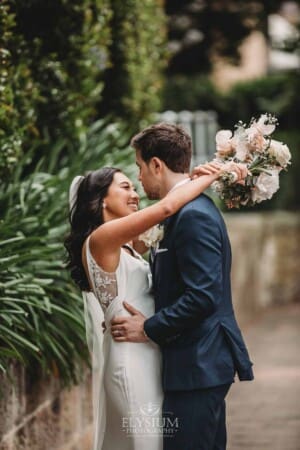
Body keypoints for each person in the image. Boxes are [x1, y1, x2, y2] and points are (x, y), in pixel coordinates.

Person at [64, 140, 246, 450]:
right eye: (125, 186)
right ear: (102, 201)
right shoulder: (102, 238)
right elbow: (166, 208)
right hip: (130, 359)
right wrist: (214, 175)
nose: (135, 193)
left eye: (136, 182)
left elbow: (169, 240)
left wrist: (187, 178)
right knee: (145, 443)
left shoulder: (129, 246)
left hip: (149, 352)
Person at [110, 122, 254, 450]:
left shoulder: (193, 215)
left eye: (140, 167)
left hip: (198, 363)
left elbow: (202, 295)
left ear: (156, 165)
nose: (140, 178)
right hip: (192, 364)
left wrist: (149, 327)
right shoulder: (181, 210)